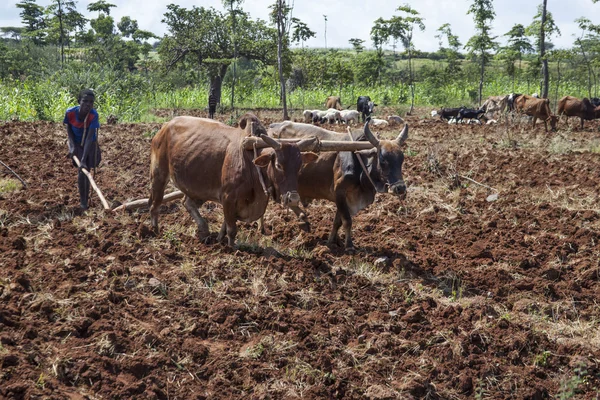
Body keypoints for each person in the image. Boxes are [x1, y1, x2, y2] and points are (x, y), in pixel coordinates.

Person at [64, 89, 102, 210]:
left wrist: (84, 159)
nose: (88, 104)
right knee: (82, 172)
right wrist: (72, 147)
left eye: (91, 102)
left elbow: (89, 138)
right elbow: (69, 130)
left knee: (85, 169)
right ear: (79, 101)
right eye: (85, 101)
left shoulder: (93, 115)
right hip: (77, 143)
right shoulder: (70, 113)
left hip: (89, 145)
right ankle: (83, 202)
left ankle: (84, 202)